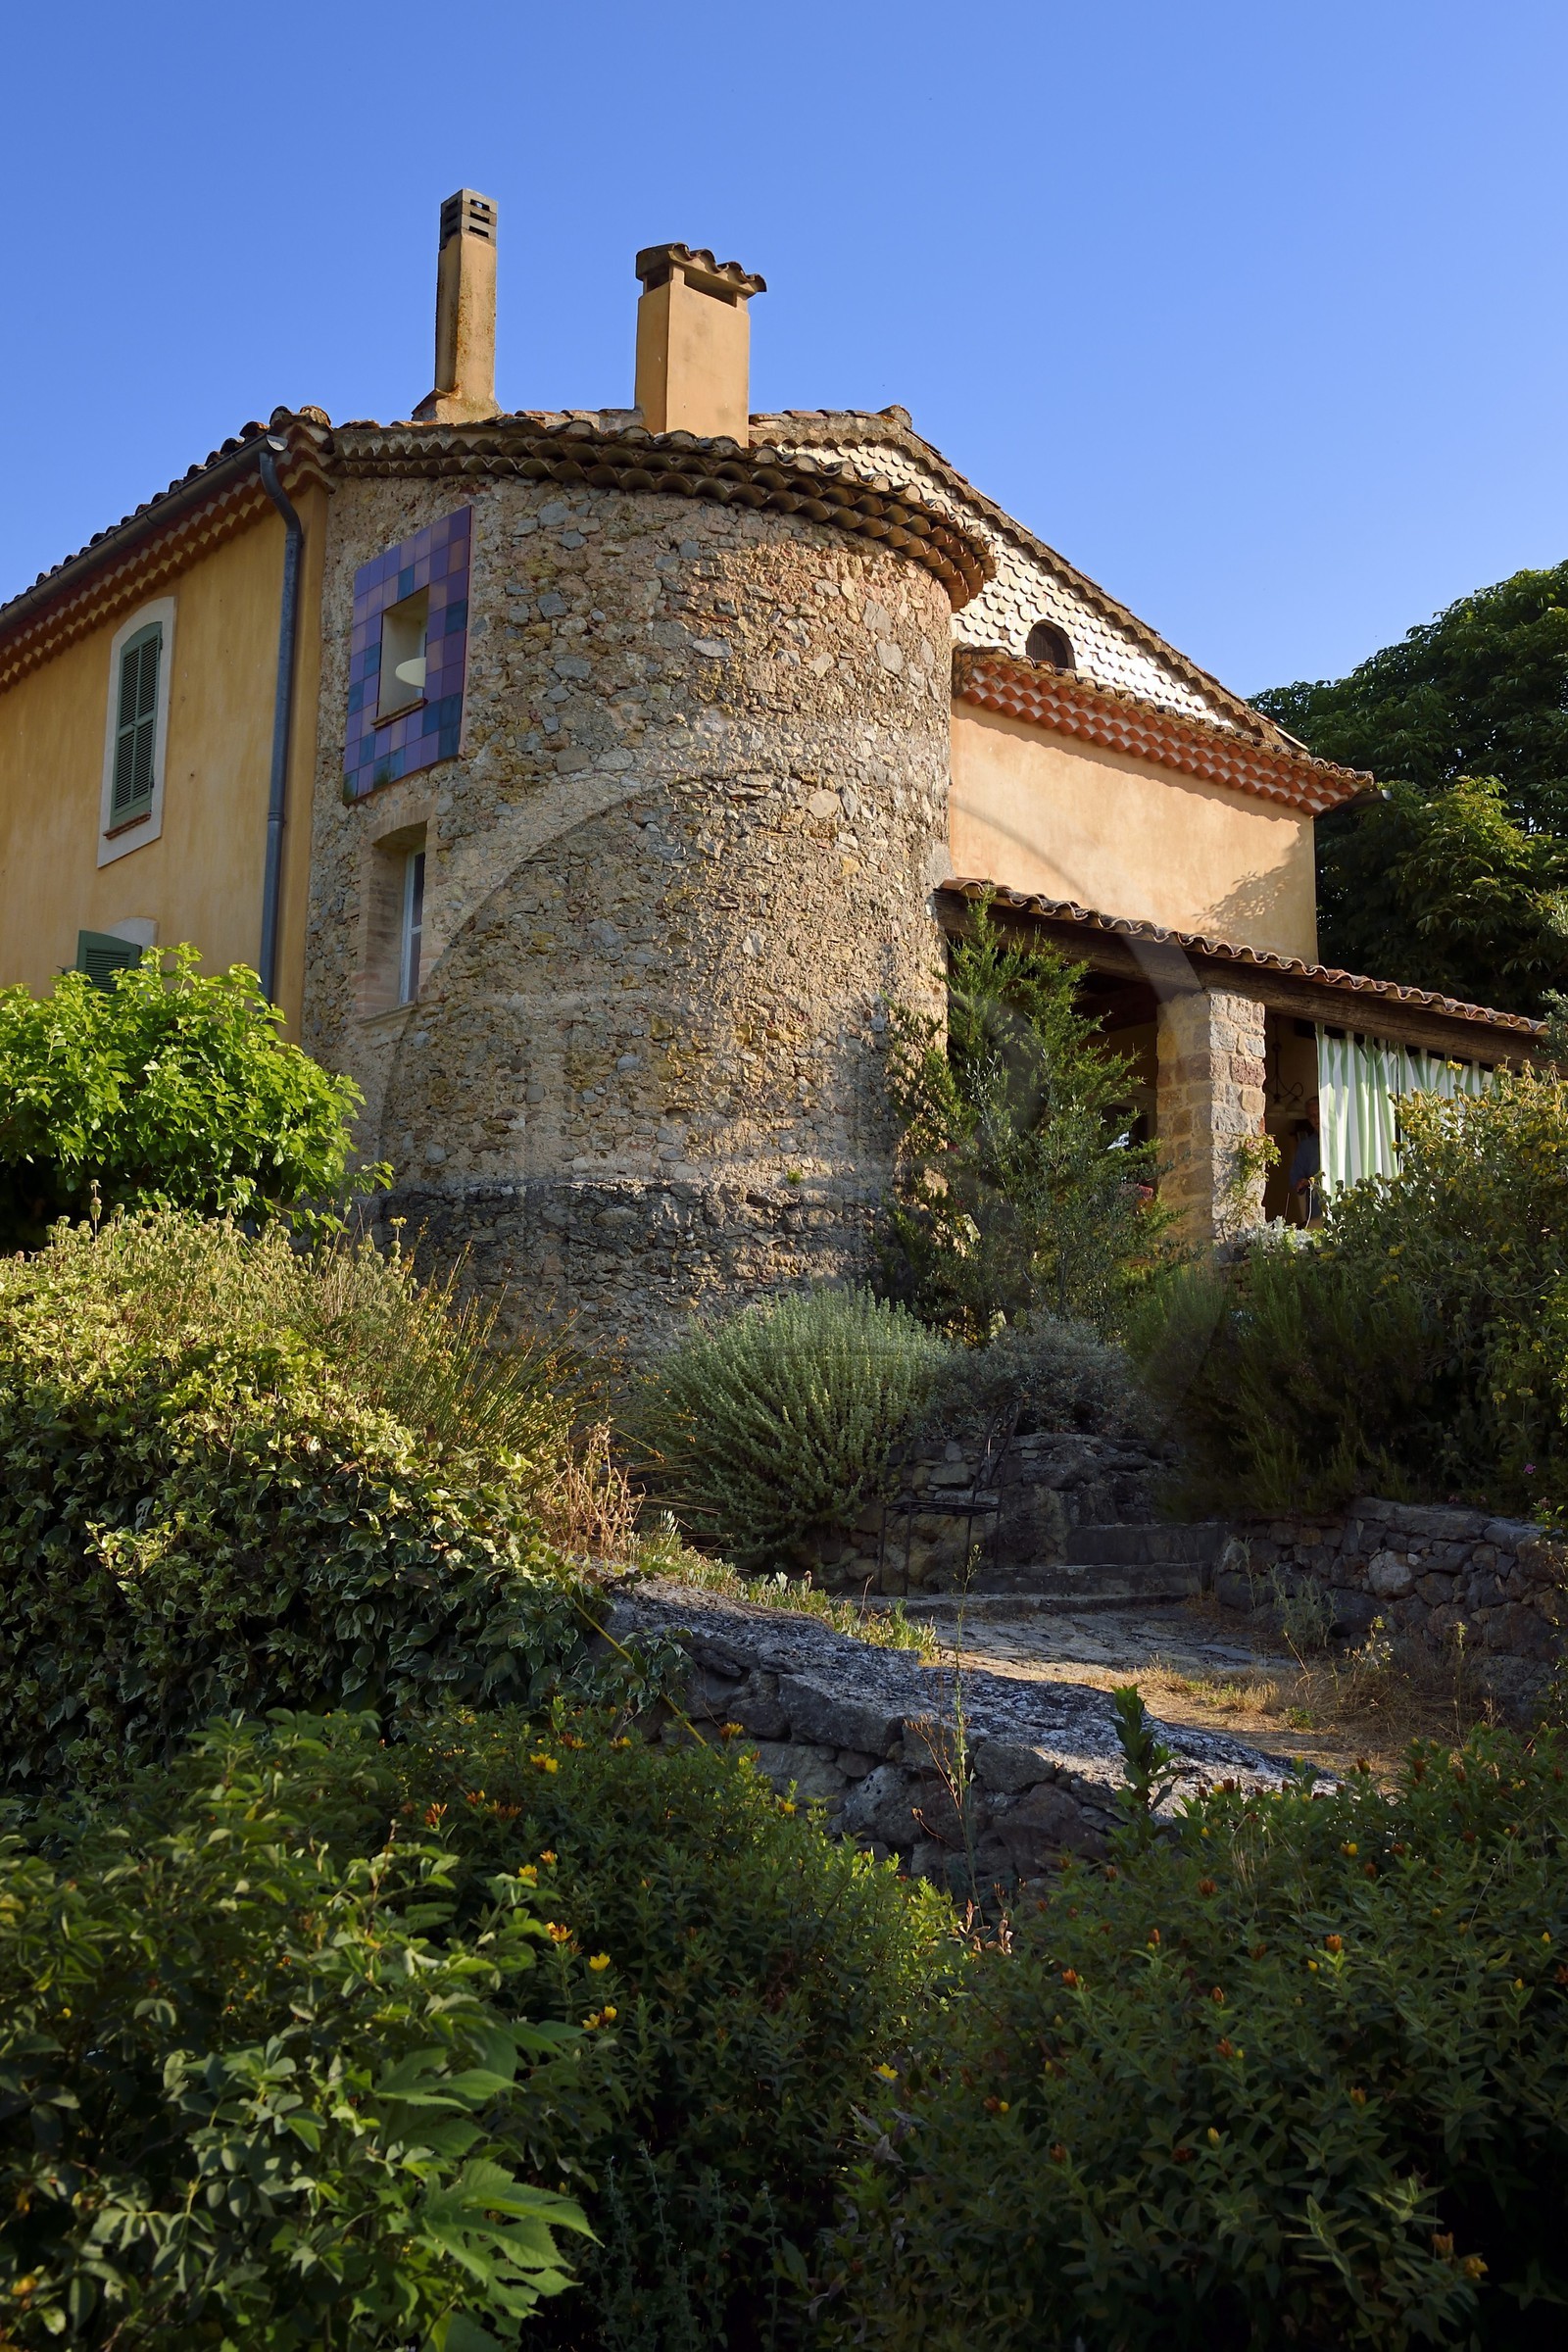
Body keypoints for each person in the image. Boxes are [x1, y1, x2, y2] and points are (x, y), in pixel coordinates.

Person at [1288, 1097, 1321, 1224]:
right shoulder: (1306, 1146)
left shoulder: (1342, 1139)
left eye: (1318, 1114)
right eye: (1312, 1116)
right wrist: (1302, 1182)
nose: (1316, 1119)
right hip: (1317, 1210)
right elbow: (1295, 1178)